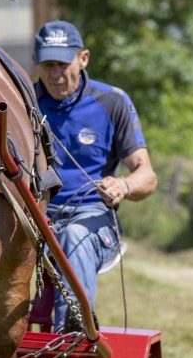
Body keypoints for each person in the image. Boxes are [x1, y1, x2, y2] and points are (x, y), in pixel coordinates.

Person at [32, 20, 158, 333]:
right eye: (48, 65)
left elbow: (147, 176)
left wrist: (124, 185)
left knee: (74, 235)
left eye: (63, 64)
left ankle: (74, 335)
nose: (56, 74)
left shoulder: (112, 102)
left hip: (93, 216)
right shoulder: (25, 102)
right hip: (35, 217)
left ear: (83, 58)